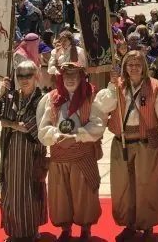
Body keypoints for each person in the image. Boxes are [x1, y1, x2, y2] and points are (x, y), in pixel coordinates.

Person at [96, 50, 158, 240]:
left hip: (147, 143)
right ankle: (128, 224)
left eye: (138, 64)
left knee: (147, 185)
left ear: (144, 66)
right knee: (123, 186)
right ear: (124, 67)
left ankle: (146, 225)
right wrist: (112, 87)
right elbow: (103, 108)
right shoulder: (117, 86)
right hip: (121, 143)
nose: (134, 68)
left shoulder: (157, 88)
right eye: (130, 65)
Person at [37, 51, 106, 241]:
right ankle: (65, 228)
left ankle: (85, 228)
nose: (69, 79)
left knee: (84, 194)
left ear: (81, 77)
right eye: (66, 76)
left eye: (74, 75)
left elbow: (98, 125)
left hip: (82, 155)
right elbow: (43, 129)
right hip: (59, 155)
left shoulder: (90, 96)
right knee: (61, 195)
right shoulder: (52, 98)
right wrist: (57, 136)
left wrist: (75, 137)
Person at [0, 60, 47, 242]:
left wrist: (11, 123)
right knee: (11, 193)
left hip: (32, 154)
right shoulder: (10, 97)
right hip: (10, 154)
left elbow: (35, 126)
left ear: (36, 77)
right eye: (20, 75)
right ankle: (13, 232)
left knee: (32, 191)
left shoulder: (42, 98)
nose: (24, 79)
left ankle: (32, 229)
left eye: (28, 75)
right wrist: (1, 92)